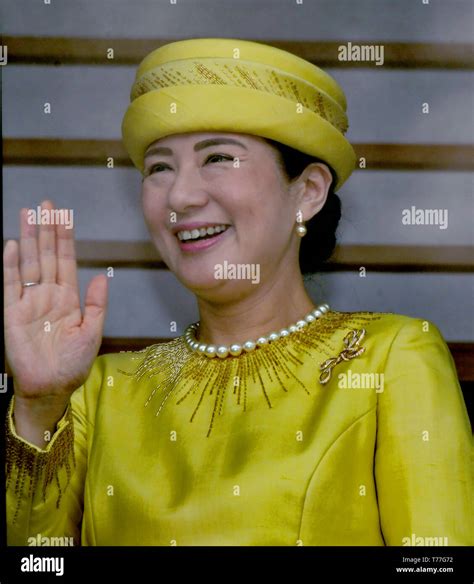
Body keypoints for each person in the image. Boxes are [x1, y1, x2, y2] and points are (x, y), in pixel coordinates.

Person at [4, 38, 472, 547]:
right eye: (160, 167)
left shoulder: (390, 358)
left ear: (309, 191)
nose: (181, 196)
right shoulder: (100, 387)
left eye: (219, 158)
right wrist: (39, 406)